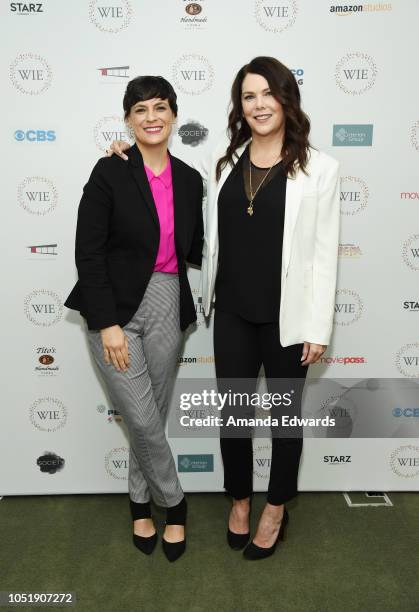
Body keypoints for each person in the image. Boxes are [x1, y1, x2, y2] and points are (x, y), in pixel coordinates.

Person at [108, 56, 340, 561]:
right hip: (231, 311)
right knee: (233, 418)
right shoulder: (223, 158)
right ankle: (240, 500)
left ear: (286, 99)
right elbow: (178, 204)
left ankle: (276, 508)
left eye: (267, 94)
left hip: (290, 320)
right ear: (240, 105)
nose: (258, 105)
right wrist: (127, 161)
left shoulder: (320, 168)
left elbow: (324, 254)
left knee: (284, 421)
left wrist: (318, 327)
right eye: (248, 96)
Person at [65, 75, 203, 562]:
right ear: (127, 118)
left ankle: (140, 505)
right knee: (142, 418)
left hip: (168, 298)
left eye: (160, 107)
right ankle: (177, 504)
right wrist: (107, 324)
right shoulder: (109, 171)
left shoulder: (189, 179)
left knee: (151, 419)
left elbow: (194, 249)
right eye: (140, 109)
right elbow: (89, 251)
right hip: (115, 310)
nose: (151, 117)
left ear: (173, 114)